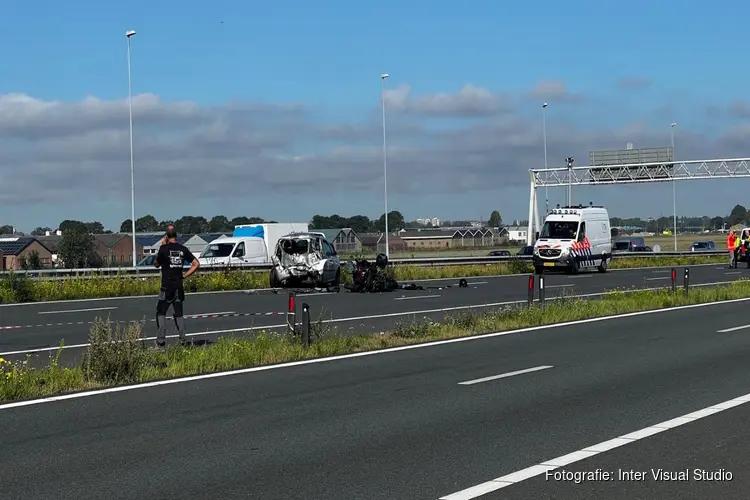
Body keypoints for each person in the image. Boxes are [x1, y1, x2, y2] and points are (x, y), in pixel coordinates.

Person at [153, 225, 200, 347]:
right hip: (178, 287)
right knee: (179, 314)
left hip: (166, 287)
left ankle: (161, 339)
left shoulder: (164, 249)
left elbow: (156, 264)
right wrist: (184, 276)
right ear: (176, 235)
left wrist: (162, 246)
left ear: (167, 236)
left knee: (161, 312)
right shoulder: (183, 249)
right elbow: (196, 264)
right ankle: (183, 339)